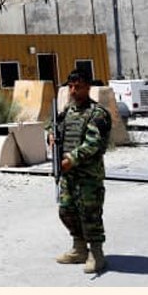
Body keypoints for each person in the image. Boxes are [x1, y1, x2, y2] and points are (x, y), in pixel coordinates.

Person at [48, 69, 112, 274]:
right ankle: (79, 248)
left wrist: (71, 160)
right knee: (66, 210)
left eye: (78, 87)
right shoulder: (68, 110)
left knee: (90, 214)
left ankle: (96, 254)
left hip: (88, 176)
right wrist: (51, 134)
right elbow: (54, 125)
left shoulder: (97, 113)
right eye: (71, 87)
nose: (73, 91)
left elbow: (93, 144)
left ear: (88, 88)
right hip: (68, 174)